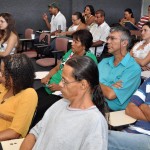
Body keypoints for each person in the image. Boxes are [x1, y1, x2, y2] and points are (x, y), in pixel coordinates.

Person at [20, 56, 108, 150]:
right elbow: (35, 133)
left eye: (65, 81)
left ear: (83, 85)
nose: (60, 85)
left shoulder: (94, 122)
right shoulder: (60, 103)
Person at [33, 29, 98, 126]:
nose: (72, 44)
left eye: (76, 42)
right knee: (31, 100)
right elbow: (57, 68)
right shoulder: (70, 53)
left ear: (84, 45)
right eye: (73, 40)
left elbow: (84, 85)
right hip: (50, 86)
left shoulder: (89, 59)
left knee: (37, 111)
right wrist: (47, 76)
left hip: (62, 93)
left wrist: (60, 87)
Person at [98, 26, 141, 111]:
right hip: (93, 105)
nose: (108, 41)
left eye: (112, 39)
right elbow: (85, 82)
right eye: (108, 38)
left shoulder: (133, 68)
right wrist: (108, 86)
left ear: (124, 43)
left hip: (112, 112)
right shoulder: (104, 62)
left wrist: (93, 82)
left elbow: (110, 95)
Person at [0, 54, 37, 141]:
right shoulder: (4, 86)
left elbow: (14, 133)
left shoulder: (29, 95)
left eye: (3, 73)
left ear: (16, 77)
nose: (0, 76)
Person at [108, 77, 150, 150]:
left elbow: (138, 105)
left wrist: (143, 107)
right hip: (130, 131)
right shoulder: (148, 81)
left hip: (146, 137)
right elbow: (129, 108)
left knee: (100, 137)